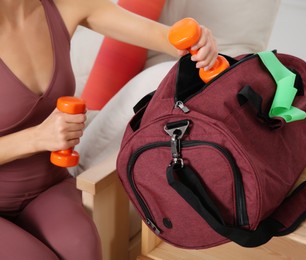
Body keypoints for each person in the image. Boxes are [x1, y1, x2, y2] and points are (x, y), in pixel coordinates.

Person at [0, 0, 218, 259]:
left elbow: (170, 39)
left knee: (83, 249)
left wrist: (200, 43)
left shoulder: (63, 6)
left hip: (46, 187)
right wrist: (35, 138)